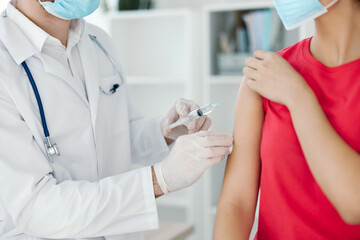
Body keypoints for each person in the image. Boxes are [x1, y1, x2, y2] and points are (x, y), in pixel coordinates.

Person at [0, 0, 233, 239]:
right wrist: (159, 180)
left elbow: (123, 132)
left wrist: (165, 131)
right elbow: (37, 207)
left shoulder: (97, 41)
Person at [214, 0, 360, 239]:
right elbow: (237, 202)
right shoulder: (267, 75)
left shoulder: (282, 81)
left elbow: (355, 204)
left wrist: (298, 96)